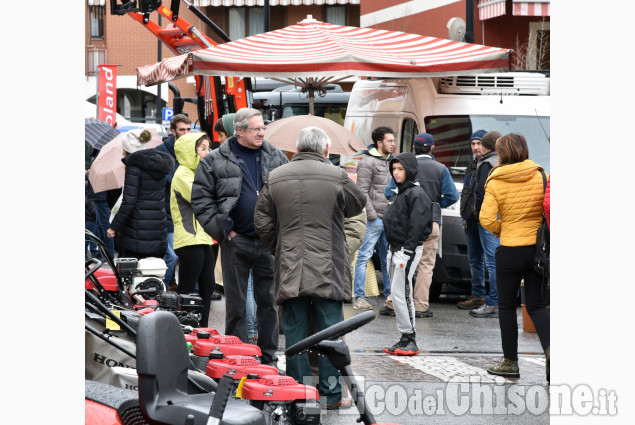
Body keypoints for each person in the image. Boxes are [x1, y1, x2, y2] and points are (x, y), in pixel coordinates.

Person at [254, 126, 366, 409]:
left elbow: (261, 221)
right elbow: (358, 204)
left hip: (290, 262)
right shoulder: (337, 175)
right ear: (325, 150)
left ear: (298, 147)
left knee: (294, 329)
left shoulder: (275, 176)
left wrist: (277, 247)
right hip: (330, 264)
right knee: (330, 331)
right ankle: (329, 394)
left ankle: (298, 391)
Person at [191, 107, 288, 367]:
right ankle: (240, 358)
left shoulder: (275, 156)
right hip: (236, 241)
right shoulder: (213, 160)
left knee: (268, 302)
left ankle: (269, 359)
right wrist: (224, 230)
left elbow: (289, 192)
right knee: (236, 305)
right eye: (256, 128)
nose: (261, 133)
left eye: (263, 128)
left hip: (268, 242)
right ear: (240, 130)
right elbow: (201, 200)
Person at [479, 133, 550, 381]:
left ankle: (510, 362)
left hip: (509, 250)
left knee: (507, 307)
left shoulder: (495, 180)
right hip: (537, 250)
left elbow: (486, 219)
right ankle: (552, 352)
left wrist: (505, 228)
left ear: (502, 153)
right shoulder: (542, 175)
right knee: (537, 305)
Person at [380, 133, 459, 318]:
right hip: (430, 223)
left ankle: (393, 303)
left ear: (414, 147)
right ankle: (421, 306)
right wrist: (433, 205)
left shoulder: (403, 166)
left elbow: (388, 192)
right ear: (432, 148)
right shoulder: (441, 169)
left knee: (399, 261)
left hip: (403, 223)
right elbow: (453, 196)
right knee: (425, 265)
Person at [381, 152, 433, 356]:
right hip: (396, 248)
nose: (396, 172)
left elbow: (417, 226)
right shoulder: (401, 192)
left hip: (405, 250)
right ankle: (405, 337)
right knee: (398, 294)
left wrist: (407, 251)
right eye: (394, 169)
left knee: (402, 293)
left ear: (410, 170)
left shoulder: (416, 194)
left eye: (400, 169)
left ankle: (410, 339)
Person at [171, 132, 216, 327]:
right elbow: (201, 198)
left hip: (203, 237)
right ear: (191, 151)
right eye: (202, 148)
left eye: (208, 148)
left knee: (208, 286)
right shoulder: (182, 173)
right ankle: (183, 327)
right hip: (189, 238)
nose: (207, 152)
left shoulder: (200, 171)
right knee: (188, 288)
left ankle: (202, 328)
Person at [107, 129, 175, 259]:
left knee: (131, 275)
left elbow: (129, 202)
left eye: (124, 149)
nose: (122, 152)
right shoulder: (160, 166)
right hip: (157, 232)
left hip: (134, 235)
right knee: (152, 274)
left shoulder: (134, 168)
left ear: (129, 150)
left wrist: (113, 227)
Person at [457, 130, 502, 318]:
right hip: (472, 219)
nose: (476, 147)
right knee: (475, 259)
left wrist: (483, 216)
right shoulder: (474, 164)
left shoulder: (489, 163)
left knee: (492, 261)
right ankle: (478, 295)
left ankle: (494, 302)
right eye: (473, 143)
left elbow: (484, 195)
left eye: (479, 143)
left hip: (485, 219)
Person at [352, 126, 395, 310]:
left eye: (393, 140)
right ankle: (359, 297)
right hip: (375, 219)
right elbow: (361, 191)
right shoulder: (367, 162)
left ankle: (390, 298)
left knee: (388, 259)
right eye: (389, 141)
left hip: (389, 218)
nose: (393, 144)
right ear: (379, 143)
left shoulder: (392, 161)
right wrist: (372, 216)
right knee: (364, 256)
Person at [156, 113, 192, 289]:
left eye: (188, 129)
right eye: (181, 130)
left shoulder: (191, 150)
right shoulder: (161, 153)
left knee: (184, 255)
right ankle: (162, 290)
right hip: (167, 214)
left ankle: (174, 285)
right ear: (173, 131)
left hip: (186, 214)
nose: (185, 133)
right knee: (171, 255)